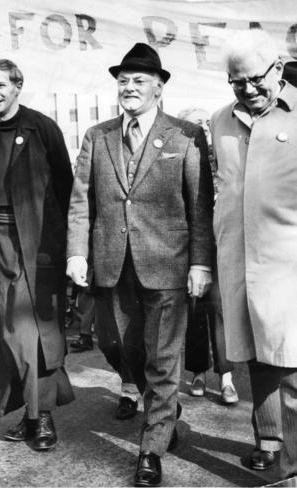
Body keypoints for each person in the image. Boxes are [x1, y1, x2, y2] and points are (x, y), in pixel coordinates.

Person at [67, 43, 213, 486]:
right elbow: (80, 202)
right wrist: (77, 252)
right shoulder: (98, 135)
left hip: (168, 265)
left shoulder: (186, 135)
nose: (129, 88)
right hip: (111, 265)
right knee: (120, 349)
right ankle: (164, 408)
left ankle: (151, 448)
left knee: (162, 359)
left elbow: (199, 207)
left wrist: (200, 264)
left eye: (139, 81)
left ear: (159, 88)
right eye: (123, 81)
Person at [0, 59, 75, 451]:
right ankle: (29, 410)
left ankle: (42, 416)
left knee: (32, 330)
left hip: (36, 244)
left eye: (0, 85)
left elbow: (66, 188)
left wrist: (67, 248)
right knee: (1, 329)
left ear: (17, 87)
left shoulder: (42, 128)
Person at [211, 30, 297, 481]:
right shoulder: (219, 121)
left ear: (279, 70)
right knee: (257, 358)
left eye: (255, 80)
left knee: (294, 370)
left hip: (290, 267)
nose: (247, 90)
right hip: (239, 263)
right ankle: (268, 441)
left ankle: (294, 471)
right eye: (236, 81)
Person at [176, 107, 238, 405]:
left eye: (205, 121)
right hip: (191, 242)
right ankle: (198, 371)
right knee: (195, 307)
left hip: (222, 240)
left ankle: (226, 376)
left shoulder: (223, 155)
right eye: (194, 121)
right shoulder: (179, 155)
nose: (201, 126)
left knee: (221, 308)